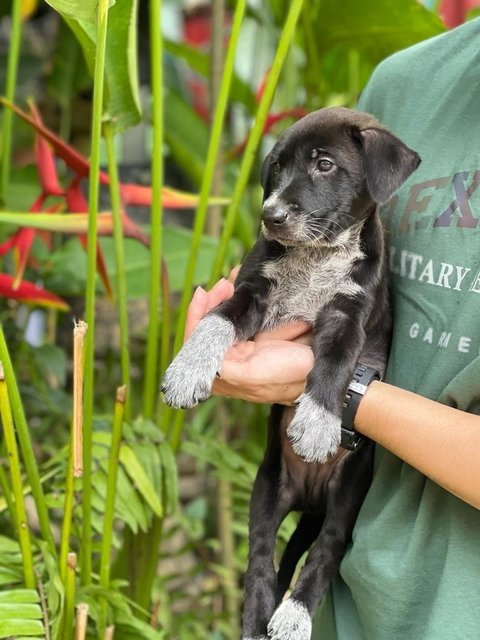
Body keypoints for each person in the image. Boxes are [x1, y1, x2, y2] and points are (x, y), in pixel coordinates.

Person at [185, 18, 480, 640]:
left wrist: (332, 393)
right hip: (345, 605)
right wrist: (234, 334)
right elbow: (313, 280)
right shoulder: (405, 82)